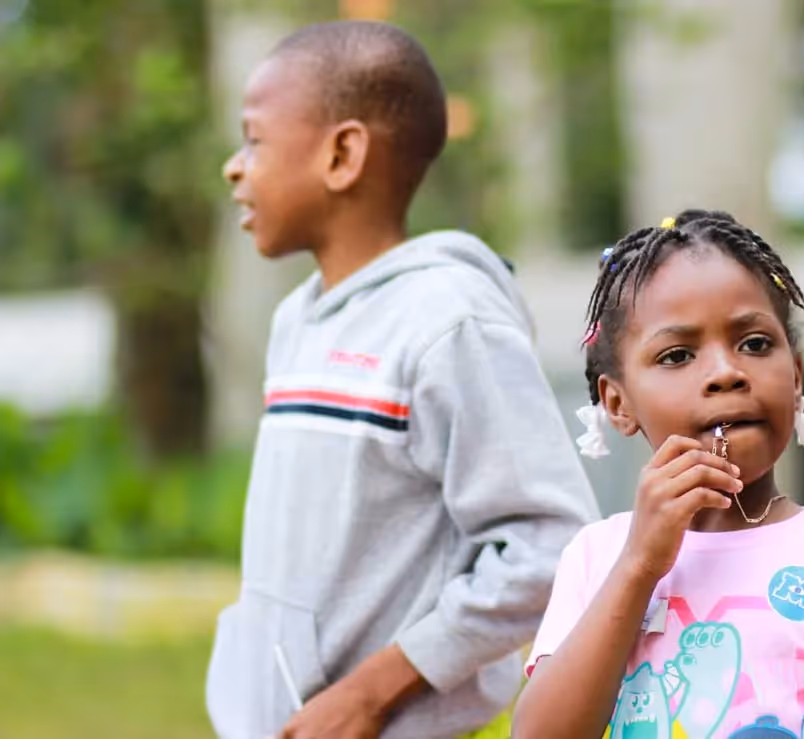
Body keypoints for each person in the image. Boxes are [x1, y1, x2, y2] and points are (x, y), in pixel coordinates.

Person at [207, 21, 599, 739]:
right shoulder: (297, 319)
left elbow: (550, 545)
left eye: (255, 139)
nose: (235, 166)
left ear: (342, 153)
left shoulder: (451, 321)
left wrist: (371, 691)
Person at [513, 210, 804, 739]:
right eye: (677, 355)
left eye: (754, 344)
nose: (726, 372)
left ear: (795, 376)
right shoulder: (596, 560)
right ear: (618, 402)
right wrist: (639, 564)